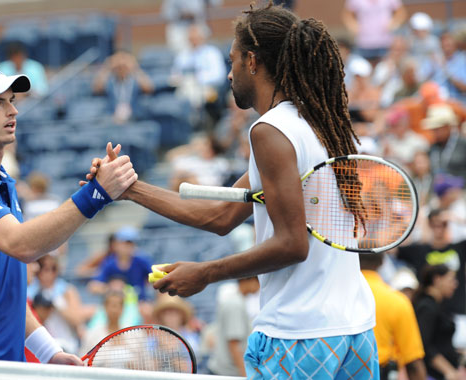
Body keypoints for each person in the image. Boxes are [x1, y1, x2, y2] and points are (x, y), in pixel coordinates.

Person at [86, 4, 377, 378]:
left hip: (300, 334)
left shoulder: (270, 130)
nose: (229, 72)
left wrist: (205, 273)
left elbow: (292, 244)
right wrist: (129, 188)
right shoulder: (317, 123)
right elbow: (221, 216)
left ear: (252, 61)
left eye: (233, 59)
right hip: (355, 330)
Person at [0, 63, 137, 364]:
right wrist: (95, 194)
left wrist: (50, 352)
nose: (12, 111)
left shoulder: (2, 181)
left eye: (12, 101)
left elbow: (5, 292)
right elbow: (23, 245)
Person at [359, 253, 426, 380]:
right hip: (381, 372)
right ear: (382, 263)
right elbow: (413, 361)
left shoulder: (335, 298)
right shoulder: (397, 300)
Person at [397, 209, 466, 315]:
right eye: (434, 224)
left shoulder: (459, 248)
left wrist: (458, 219)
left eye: (443, 224)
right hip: (428, 311)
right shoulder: (419, 250)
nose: (439, 229)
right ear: (429, 225)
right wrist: (418, 224)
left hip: (457, 311)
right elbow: (391, 248)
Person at [170, 23, 227, 130]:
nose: (193, 40)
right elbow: (175, 75)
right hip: (185, 87)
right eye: (191, 38)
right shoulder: (183, 55)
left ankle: (196, 124)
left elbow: (219, 76)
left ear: (203, 37)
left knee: (195, 93)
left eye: (196, 37)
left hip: (209, 88)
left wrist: (198, 78)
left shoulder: (212, 52)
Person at [412, 264, 461, 380]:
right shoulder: (427, 307)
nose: (455, 284)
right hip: (433, 375)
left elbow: (441, 342)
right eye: (451, 280)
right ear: (437, 279)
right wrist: (448, 370)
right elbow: (424, 344)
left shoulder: (437, 305)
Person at [207, 276, 260, 377]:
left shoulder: (235, 300)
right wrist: (246, 375)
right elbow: (234, 344)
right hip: (226, 373)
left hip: (225, 372)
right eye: (257, 281)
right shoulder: (235, 304)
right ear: (248, 280)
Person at [92, 50, 154, 124]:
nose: (121, 66)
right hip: (112, 117)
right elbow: (96, 88)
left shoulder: (135, 80)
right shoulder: (110, 81)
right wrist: (107, 67)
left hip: (134, 117)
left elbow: (149, 88)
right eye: (119, 65)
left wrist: (135, 67)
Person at [341, 0, 407, 64]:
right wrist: (354, 27)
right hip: (363, 43)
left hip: (385, 42)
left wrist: (392, 24)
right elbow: (347, 14)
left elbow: (400, 12)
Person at [422, 103, 466, 179]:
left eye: (437, 129)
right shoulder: (433, 147)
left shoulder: (463, 144)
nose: (434, 133)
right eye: (433, 130)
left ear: (448, 127)